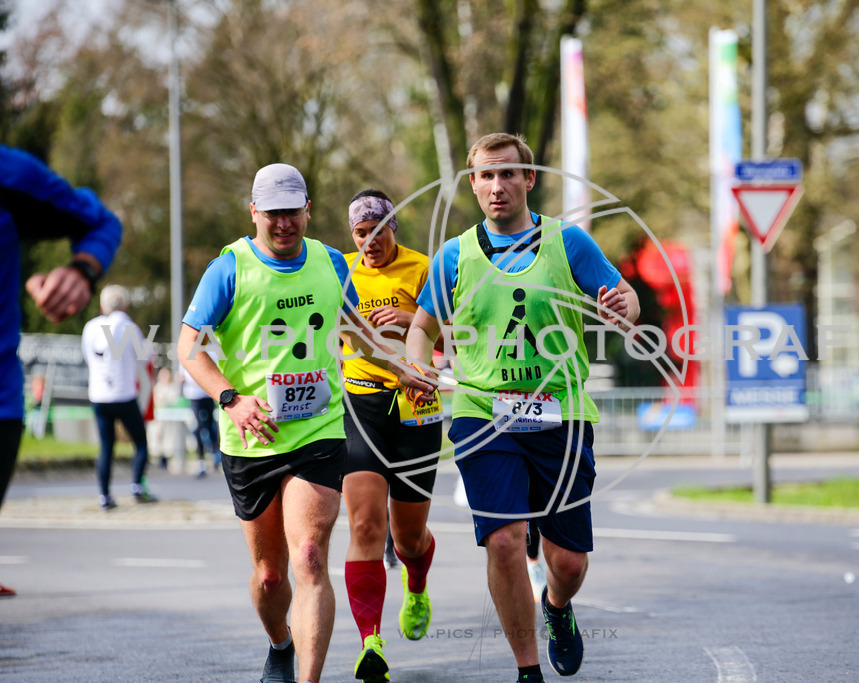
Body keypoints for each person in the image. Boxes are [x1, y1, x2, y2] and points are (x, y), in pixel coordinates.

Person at [402, 133, 640, 683]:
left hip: (561, 413)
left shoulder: (569, 243)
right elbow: (421, 328)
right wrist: (419, 368)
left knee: (568, 562)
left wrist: (620, 306)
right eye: (485, 176)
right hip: (483, 414)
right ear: (473, 185)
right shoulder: (455, 255)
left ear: (528, 179)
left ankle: (556, 607)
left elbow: (625, 302)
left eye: (508, 174)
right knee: (505, 540)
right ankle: (526, 670)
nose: (497, 186)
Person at [176, 163, 419, 683]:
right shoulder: (230, 268)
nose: (284, 224)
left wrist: (406, 372)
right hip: (251, 436)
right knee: (269, 576)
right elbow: (187, 349)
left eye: (293, 212)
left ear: (308, 210)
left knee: (309, 556)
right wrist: (231, 399)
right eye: (273, 214)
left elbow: (361, 336)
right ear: (254, 213)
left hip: (319, 430)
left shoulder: (332, 263)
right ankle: (279, 643)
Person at [0, 144, 122, 598]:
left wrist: (83, 268)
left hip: (2, 401)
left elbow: (102, 222)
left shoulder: (10, 174)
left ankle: (116, 491)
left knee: (116, 445)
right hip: (105, 397)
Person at [339, 189, 442, 682]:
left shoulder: (425, 268)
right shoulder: (340, 272)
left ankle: (416, 583)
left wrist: (413, 319)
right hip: (361, 402)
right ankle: (370, 642)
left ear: (393, 228)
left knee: (408, 537)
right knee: (364, 527)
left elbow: (466, 331)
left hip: (417, 403)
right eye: (361, 234)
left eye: (378, 232)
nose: (370, 243)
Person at [82, 284, 158, 509]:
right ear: (124, 305)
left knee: (106, 446)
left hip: (98, 395)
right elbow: (145, 358)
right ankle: (137, 485)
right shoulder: (128, 327)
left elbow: (87, 356)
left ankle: (104, 495)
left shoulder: (91, 326)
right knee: (141, 442)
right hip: (123, 394)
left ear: (102, 305)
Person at [181, 363, 221, 477]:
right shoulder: (187, 351)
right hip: (194, 396)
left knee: (210, 426)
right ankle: (201, 460)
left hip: (208, 394)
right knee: (198, 427)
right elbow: (183, 375)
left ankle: (216, 456)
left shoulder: (211, 351)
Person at [148, 365, 182, 470]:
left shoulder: (172, 388)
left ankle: (166, 459)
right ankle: (158, 458)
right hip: (158, 419)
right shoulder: (156, 387)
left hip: (169, 420)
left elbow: (174, 401)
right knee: (156, 439)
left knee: (169, 440)